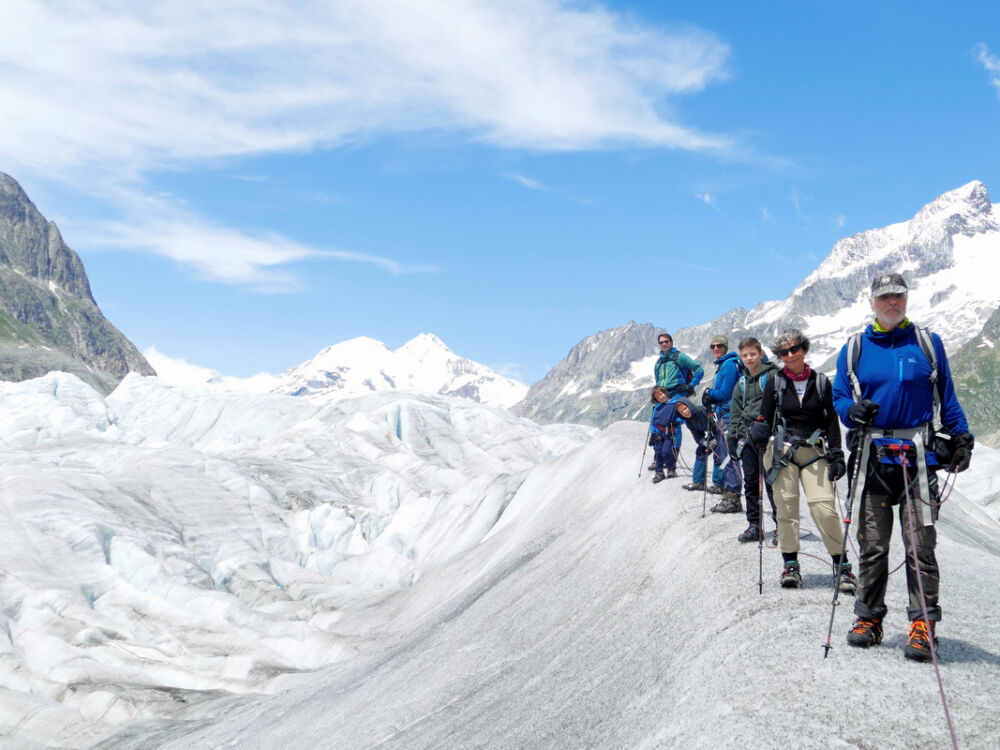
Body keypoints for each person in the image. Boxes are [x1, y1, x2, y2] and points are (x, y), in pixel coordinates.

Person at [832, 272, 973, 662]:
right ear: (872, 302)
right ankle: (868, 618)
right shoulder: (855, 348)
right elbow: (840, 395)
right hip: (873, 461)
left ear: (906, 299)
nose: (892, 302)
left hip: (919, 460)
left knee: (920, 548)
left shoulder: (928, 343)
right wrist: (851, 411)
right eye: (884, 297)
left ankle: (923, 625)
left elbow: (946, 395)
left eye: (898, 295)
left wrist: (961, 437)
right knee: (873, 546)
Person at [750, 329, 854, 592]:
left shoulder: (821, 382)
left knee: (824, 508)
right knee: (786, 509)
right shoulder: (775, 382)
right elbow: (765, 416)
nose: (790, 355)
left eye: (794, 349)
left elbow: (831, 421)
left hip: (813, 450)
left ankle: (842, 565)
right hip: (782, 450)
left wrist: (837, 454)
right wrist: (759, 430)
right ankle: (790, 565)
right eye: (783, 352)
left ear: (804, 349)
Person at [727, 337, 779, 543]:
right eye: (745, 355)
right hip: (748, 437)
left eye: (753, 354)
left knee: (773, 482)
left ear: (761, 354)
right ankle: (754, 525)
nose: (749, 358)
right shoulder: (741, 383)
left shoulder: (773, 376)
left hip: (770, 435)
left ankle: (781, 525)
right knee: (750, 481)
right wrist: (732, 438)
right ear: (741, 357)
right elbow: (735, 413)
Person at [694, 335, 742, 513]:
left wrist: (708, 392)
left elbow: (725, 393)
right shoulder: (725, 365)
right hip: (725, 415)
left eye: (719, 346)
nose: (716, 349)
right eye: (713, 346)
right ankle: (729, 493)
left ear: (725, 347)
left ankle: (733, 497)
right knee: (725, 455)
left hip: (728, 416)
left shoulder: (728, 365)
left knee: (729, 456)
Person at [654, 332, 703, 398]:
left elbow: (699, 369)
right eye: (661, 342)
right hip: (663, 397)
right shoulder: (658, 363)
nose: (664, 344)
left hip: (678, 395)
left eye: (666, 341)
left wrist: (691, 385)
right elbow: (657, 382)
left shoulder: (680, 357)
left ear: (671, 343)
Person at [649, 386, 681, 483]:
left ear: (665, 393)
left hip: (670, 433)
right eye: (658, 397)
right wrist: (653, 434)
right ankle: (659, 472)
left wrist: (677, 422)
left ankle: (671, 468)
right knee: (658, 452)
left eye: (661, 394)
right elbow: (654, 422)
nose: (660, 397)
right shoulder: (657, 407)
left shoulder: (675, 404)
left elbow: (683, 416)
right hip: (659, 433)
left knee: (666, 451)